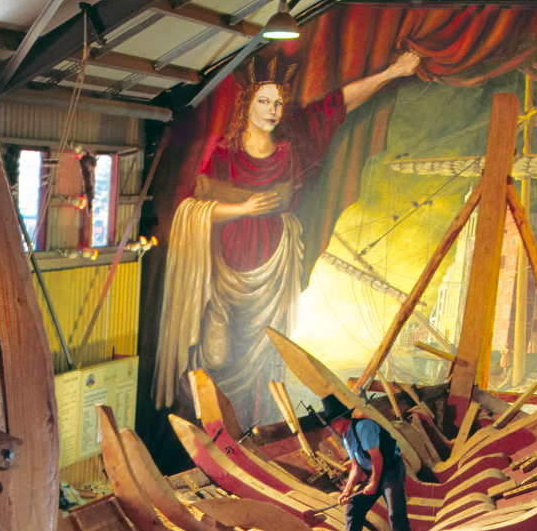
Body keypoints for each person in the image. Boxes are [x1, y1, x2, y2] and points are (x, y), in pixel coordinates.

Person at [155, 51, 420, 423]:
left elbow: (339, 104)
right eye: (264, 101)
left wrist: (393, 72)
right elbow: (196, 206)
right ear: (248, 104)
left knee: (265, 359)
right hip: (225, 270)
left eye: (278, 102)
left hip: (275, 270)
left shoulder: (295, 142)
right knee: (215, 356)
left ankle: (255, 431)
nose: (273, 109)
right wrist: (246, 208)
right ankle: (214, 427)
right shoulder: (224, 153)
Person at [322, 394, 421, 531]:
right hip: (374, 471)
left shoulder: (364, 427)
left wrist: (374, 483)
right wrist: (347, 491)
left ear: (341, 419)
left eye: (332, 423)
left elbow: (377, 457)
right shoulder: (346, 438)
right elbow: (356, 467)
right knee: (354, 508)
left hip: (390, 469)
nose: (332, 427)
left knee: (395, 515)